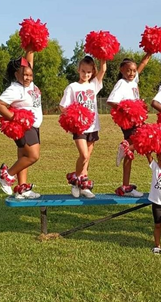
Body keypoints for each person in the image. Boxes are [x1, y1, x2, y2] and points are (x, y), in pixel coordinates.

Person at [0, 49, 42, 199]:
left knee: (23, 156)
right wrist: (15, 118)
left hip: (34, 125)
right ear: (17, 75)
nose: (27, 77)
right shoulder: (15, 88)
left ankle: (22, 188)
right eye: (24, 75)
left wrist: (31, 47)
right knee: (33, 156)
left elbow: (29, 62)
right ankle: (6, 175)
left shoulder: (30, 84)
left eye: (30, 74)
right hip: (25, 126)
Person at [59, 56, 107, 199]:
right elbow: (63, 106)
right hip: (79, 127)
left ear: (92, 72)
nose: (86, 75)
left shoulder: (93, 85)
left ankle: (83, 184)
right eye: (83, 71)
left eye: (89, 72)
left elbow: (103, 69)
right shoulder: (73, 87)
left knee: (87, 158)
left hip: (93, 126)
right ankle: (75, 181)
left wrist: (103, 54)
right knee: (84, 155)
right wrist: (74, 115)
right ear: (78, 70)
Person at [106, 52, 153, 197]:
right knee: (145, 142)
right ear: (122, 70)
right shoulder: (122, 83)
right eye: (128, 70)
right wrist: (127, 110)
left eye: (133, 71)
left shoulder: (133, 80)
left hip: (136, 119)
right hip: (129, 120)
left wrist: (149, 52)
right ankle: (125, 147)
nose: (132, 73)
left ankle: (125, 186)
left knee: (133, 152)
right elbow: (110, 101)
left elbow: (142, 64)